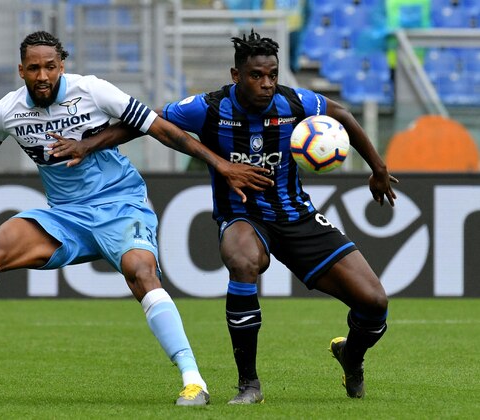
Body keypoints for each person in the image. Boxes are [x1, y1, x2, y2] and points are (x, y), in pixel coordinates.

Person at [0, 31, 273, 406]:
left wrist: (221, 165)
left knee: (140, 271)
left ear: (62, 66)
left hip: (121, 204)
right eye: (33, 68)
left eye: (49, 67)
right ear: (20, 70)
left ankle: (194, 381)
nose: (42, 75)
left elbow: (161, 130)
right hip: (66, 216)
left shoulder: (92, 91)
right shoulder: (7, 112)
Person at [47, 29, 399, 403]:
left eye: (272, 75)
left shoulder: (294, 103)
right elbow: (147, 121)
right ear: (236, 75)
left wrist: (377, 168)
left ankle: (351, 356)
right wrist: (87, 145)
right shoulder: (210, 108)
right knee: (242, 261)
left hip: (297, 216)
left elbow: (342, 114)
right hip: (242, 216)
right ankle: (249, 384)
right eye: (256, 76)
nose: (266, 84)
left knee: (374, 303)